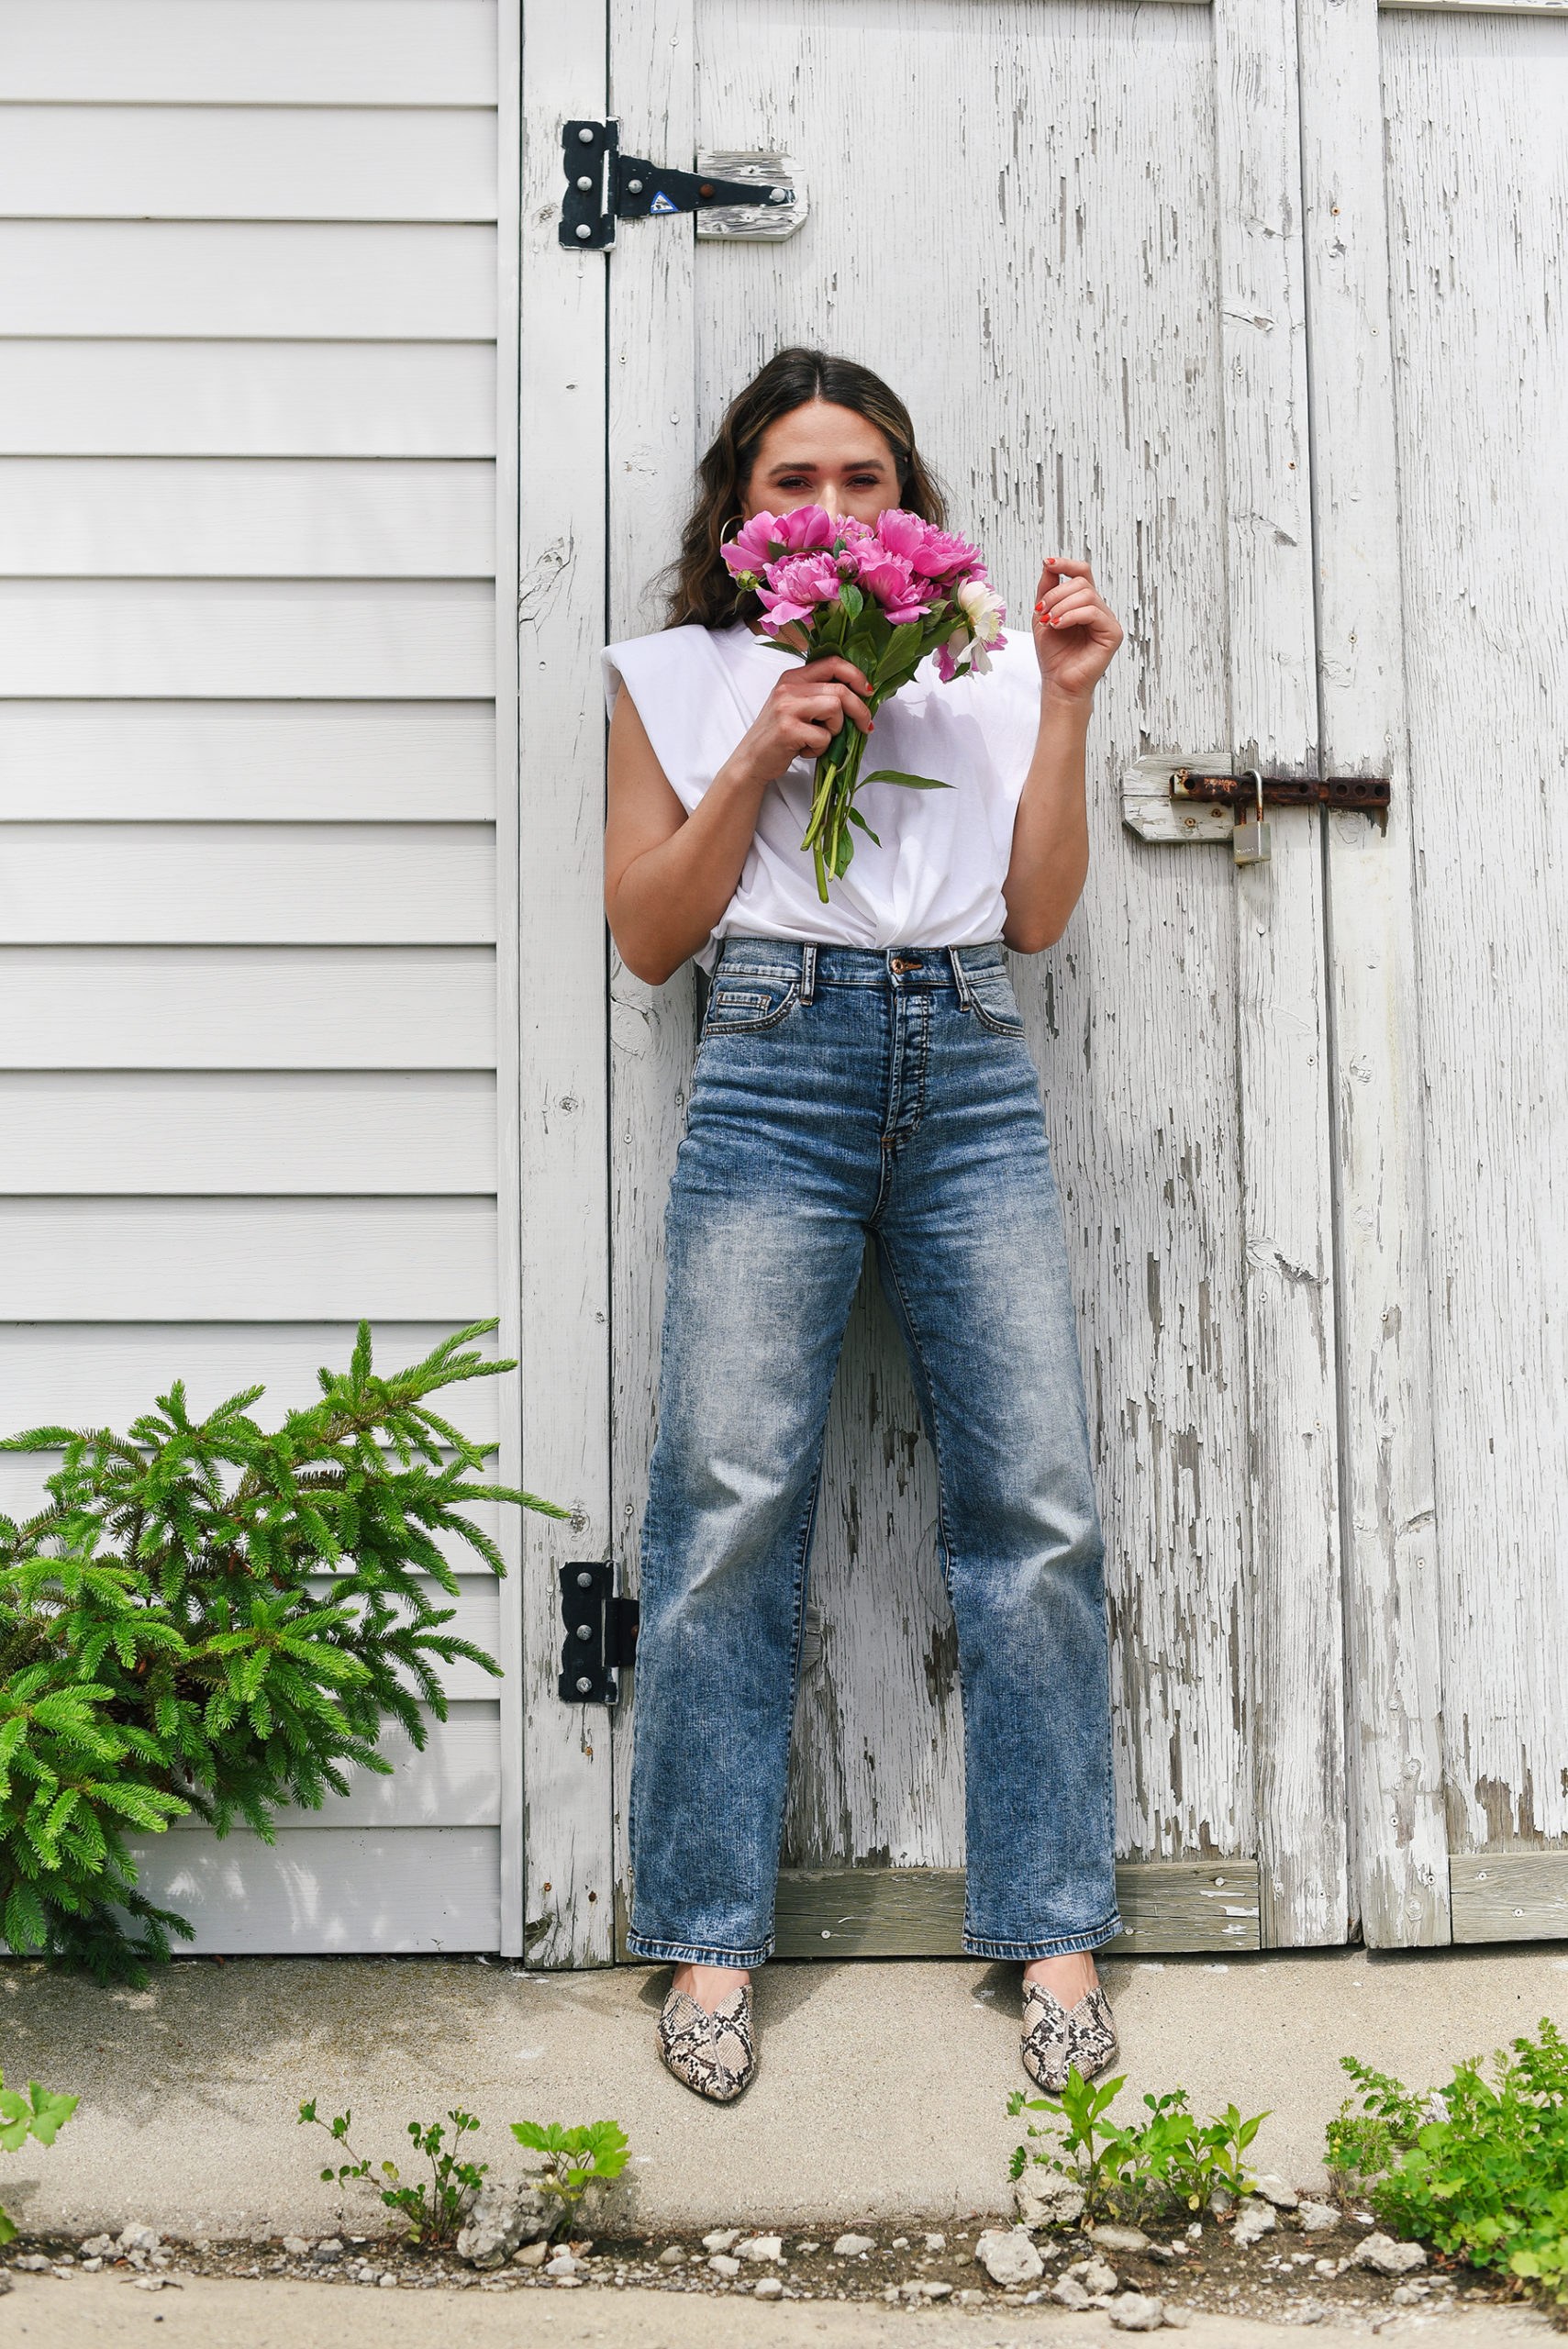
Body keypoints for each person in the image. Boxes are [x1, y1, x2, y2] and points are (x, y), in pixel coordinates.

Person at [602, 348, 1125, 2104]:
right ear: (734, 511)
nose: (829, 510)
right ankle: (706, 1939)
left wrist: (1056, 703)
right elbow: (651, 939)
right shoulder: (669, 678)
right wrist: (760, 743)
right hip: (771, 1060)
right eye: (789, 484)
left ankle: (1051, 1928)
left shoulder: (974, 668)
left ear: (907, 504)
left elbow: (1038, 915)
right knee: (729, 1505)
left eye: (863, 481)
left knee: (1032, 1506)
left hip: (967, 1056)